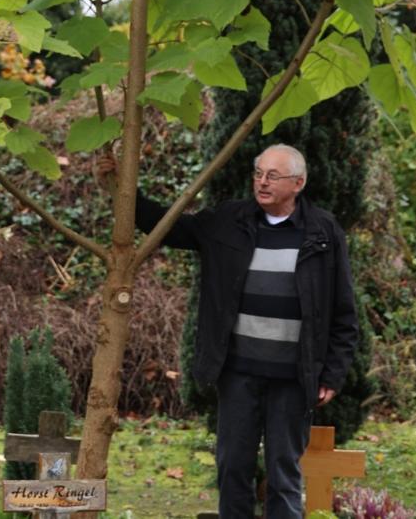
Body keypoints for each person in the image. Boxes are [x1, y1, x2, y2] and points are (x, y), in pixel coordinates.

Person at [98, 144, 359, 518]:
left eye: (273, 175)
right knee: (233, 468)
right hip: (238, 374)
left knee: (284, 475)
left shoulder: (323, 232)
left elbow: (343, 310)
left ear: (298, 183)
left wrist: (332, 373)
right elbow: (167, 226)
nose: (262, 182)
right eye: (258, 173)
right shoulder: (228, 221)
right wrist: (120, 189)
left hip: (293, 378)